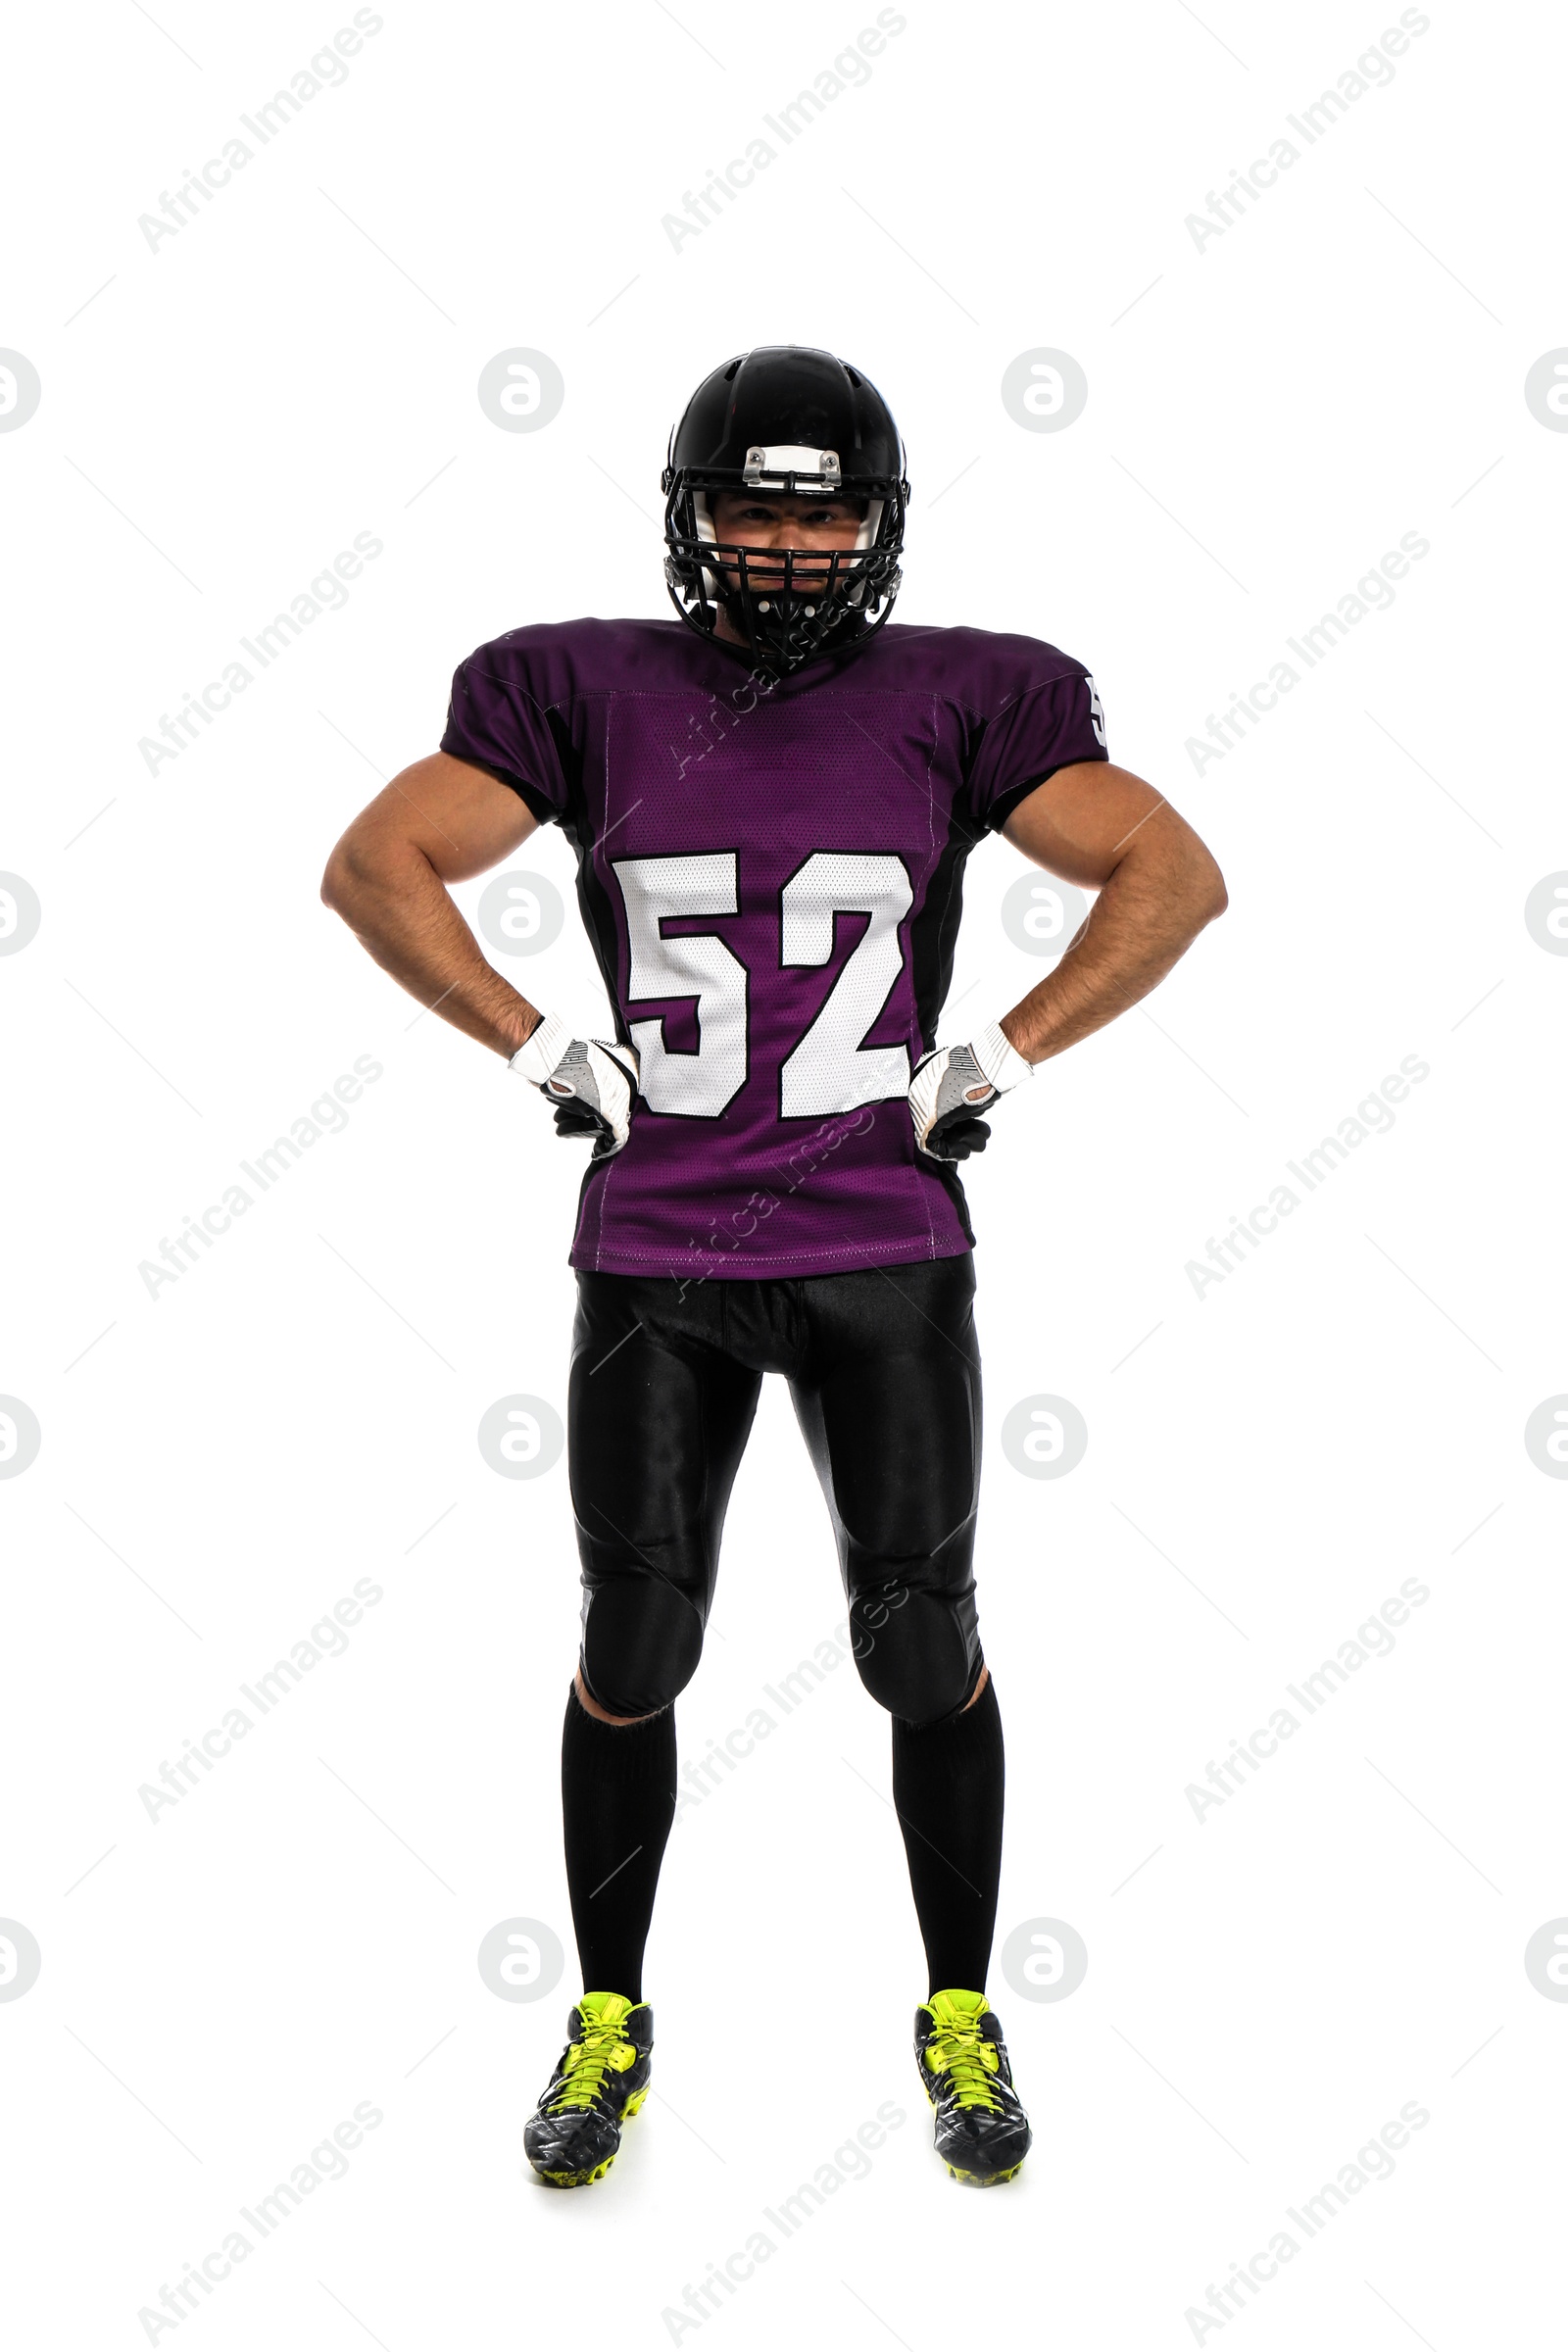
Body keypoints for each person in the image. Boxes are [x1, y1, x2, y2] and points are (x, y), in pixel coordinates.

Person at [320, 345, 1226, 2189]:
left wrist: (1009, 1049)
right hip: (657, 1252)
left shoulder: (973, 693)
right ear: (689, 515)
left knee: (923, 1650)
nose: (793, 546)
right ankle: (608, 2017)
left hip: (886, 1245)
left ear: (881, 525)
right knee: (635, 1641)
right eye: (756, 504)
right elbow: (378, 860)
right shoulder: (575, 685)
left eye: (826, 510)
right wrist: (531, 1038)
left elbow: (1172, 872)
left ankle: (961, 2014)